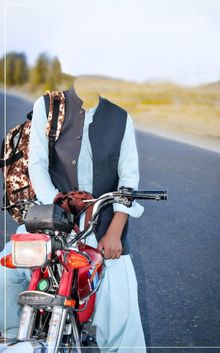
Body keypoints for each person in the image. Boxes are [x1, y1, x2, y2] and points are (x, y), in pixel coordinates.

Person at [0, 83, 146, 353]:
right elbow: (38, 166)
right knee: (6, 271)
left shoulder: (121, 118)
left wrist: (114, 231)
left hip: (101, 227)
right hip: (50, 222)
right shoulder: (47, 106)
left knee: (122, 311)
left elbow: (128, 179)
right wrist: (58, 204)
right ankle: (9, 338)